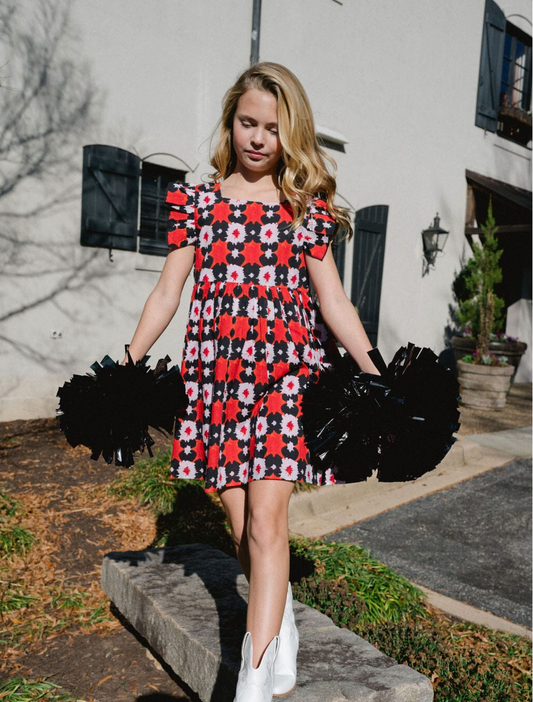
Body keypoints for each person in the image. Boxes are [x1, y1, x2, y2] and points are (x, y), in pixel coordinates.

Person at [124, 62, 381, 701]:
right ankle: (281, 618)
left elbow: (335, 305)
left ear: (289, 132)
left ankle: (252, 685)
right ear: (230, 123)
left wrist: (377, 372)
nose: (259, 138)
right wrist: (125, 367)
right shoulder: (200, 203)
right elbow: (167, 293)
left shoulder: (305, 210)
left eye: (272, 126)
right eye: (248, 123)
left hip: (285, 382)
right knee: (244, 534)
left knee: (269, 526)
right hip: (216, 383)